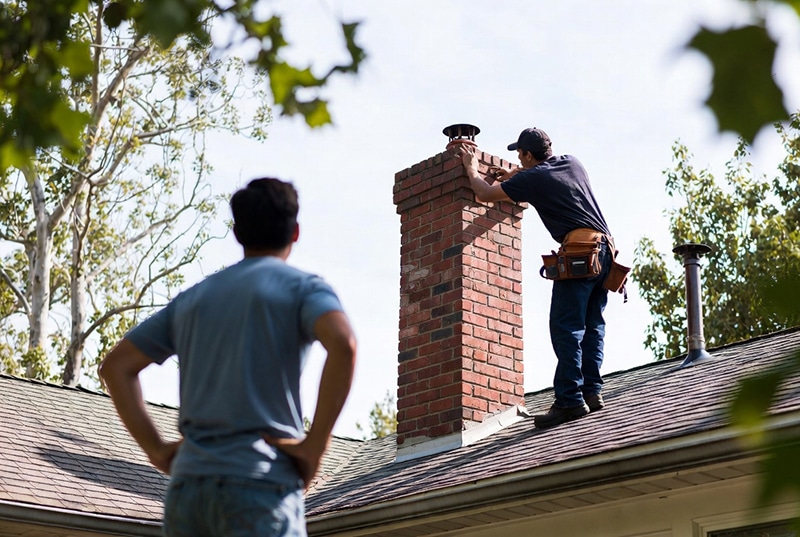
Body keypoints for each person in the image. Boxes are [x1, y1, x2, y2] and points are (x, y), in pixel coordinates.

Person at [99, 177, 357, 536]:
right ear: (295, 232)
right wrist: (315, 445)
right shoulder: (303, 288)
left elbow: (116, 367)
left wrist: (156, 449)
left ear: (237, 233)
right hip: (261, 484)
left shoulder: (192, 299)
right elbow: (344, 344)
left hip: (190, 490)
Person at [457, 128, 613, 429]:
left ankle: (569, 400)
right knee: (593, 325)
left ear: (529, 155)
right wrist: (515, 174)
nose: (518, 159)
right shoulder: (572, 162)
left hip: (580, 253)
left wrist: (471, 168)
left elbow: (484, 193)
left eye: (520, 155)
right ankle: (591, 392)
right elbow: (541, 174)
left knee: (566, 327)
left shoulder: (534, 178)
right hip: (605, 253)